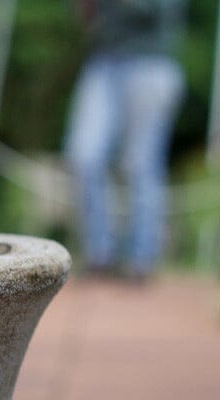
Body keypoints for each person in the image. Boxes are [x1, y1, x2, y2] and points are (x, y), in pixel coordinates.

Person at [64, 0, 187, 279]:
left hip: (152, 62)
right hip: (104, 61)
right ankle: (100, 254)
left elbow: (157, 10)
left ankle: (141, 260)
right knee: (83, 156)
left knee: (141, 164)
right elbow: (86, 18)